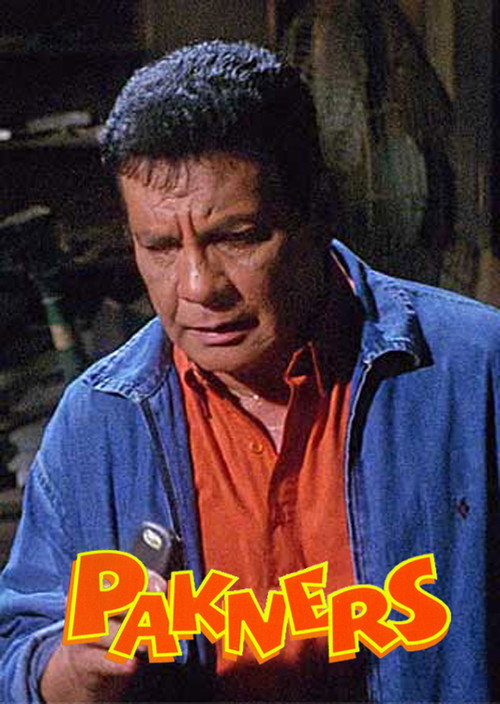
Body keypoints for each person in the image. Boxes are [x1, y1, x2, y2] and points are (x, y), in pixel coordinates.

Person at [1, 40, 499, 704]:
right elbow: (18, 649)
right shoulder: (100, 425)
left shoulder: (474, 373)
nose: (198, 286)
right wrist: (72, 672)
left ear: (318, 209)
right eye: (160, 246)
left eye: (237, 238)